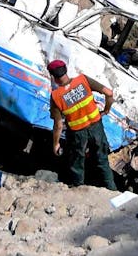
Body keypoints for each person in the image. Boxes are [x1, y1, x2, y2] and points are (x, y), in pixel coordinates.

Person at [47, 58, 116, 190]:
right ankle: (112, 189)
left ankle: (78, 189)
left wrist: (56, 143)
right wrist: (106, 110)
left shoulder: (56, 96)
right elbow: (109, 93)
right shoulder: (83, 80)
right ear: (66, 70)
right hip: (97, 127)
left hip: (78, 134)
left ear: (53, 77)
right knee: (102, 160)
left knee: (77, 163)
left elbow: (58, 125)